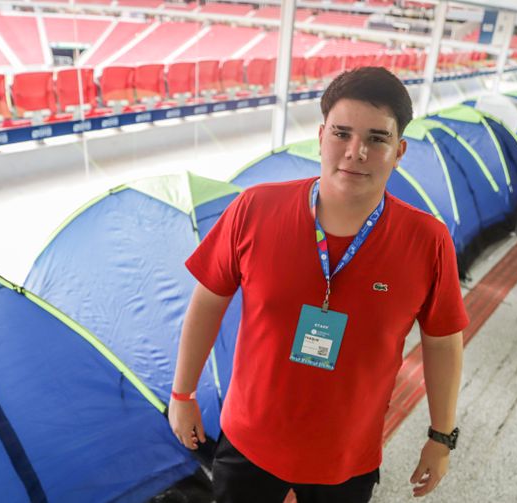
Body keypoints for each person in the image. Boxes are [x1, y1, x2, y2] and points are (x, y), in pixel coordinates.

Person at [169, 66, 468, 502]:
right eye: (342, 134)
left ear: (399, 150)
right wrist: (183, 392)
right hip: (248, 443)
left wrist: (441, 437)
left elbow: (443, 342)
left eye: (376, 139)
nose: (356, 152)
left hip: (346, 458)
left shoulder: (426, 241)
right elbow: (207, 301)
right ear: (321, 136)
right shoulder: (254, 209)